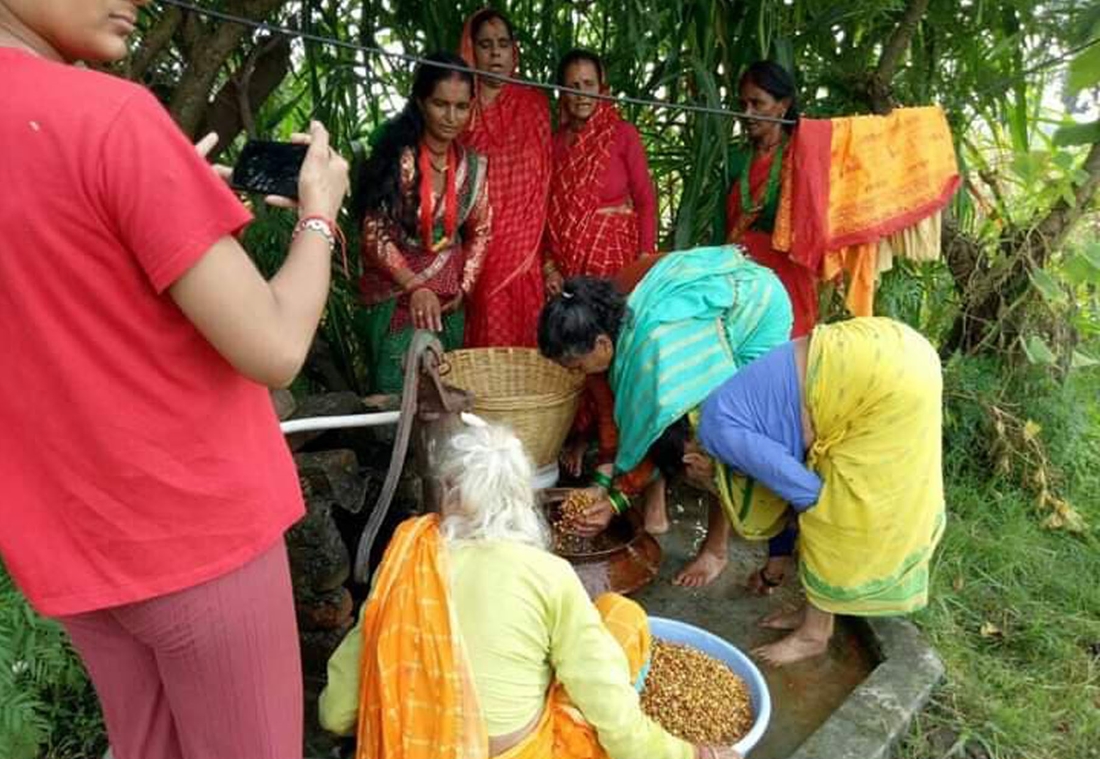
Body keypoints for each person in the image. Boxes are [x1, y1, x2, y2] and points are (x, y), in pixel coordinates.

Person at [0, 2, 350, 758]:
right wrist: (318, 216)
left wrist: (165, 192)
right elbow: (276, 343)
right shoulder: (109, 117)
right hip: (198, 535)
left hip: (73, 548)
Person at [318, 423, 738, 759]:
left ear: (447, 495)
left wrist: (404, 713)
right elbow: (614, 715)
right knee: (620, 617)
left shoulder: (406, 560)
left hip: (406, 746)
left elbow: (334, 713)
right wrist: (688, 753)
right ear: (522, 499)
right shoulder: (548, 574)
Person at [651, 317, 945, 667]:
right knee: (823, 495)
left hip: (886, 381)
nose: (707, 488)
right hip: (889, 346)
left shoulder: (720, 433)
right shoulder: (717, 408)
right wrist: (774, 569)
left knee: (835, 511)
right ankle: (814, 612)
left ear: (692, 461)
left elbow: (805, 494)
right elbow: (779, 489)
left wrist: (786, 557)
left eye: (696, 483)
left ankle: (814, 634)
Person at [538, 246, 792, 588]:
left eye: (576, 366)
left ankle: (716, 549)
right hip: (712, 305)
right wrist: (601, 483)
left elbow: (665, 429)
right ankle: (661, 514)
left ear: (602, 345)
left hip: (755, 309)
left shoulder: (654, 356)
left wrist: (617, 500)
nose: (575, 374)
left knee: (719, 436)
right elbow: (609, 413)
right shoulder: (593, 318)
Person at [542, 48, 665, 529]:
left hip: (618, 267)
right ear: (562, 92)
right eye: (571, 86)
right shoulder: (554, 144)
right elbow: (548, 211)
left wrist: (646, 266)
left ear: (602, 87)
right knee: (580, 362)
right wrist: (552, 264)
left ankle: (651, 487)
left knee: (627, 366)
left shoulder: (622, 134)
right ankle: (589, 446)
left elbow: (647, 201)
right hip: (573, 267)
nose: (580, 95)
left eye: (588, 85)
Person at [354, 52, 491, 395]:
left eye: (461, 107)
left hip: (449, 303)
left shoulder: (472, 168)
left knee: (443, 395)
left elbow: (481, 230)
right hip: (398, 296)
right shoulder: (397, 159)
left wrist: (464, 286)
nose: (450, 117)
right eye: (440, 104)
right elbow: (374, 233)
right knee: (396, 396)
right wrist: (415, 285)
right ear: (420, 102)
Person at [458, 8, 553, 348]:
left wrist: (547, 257)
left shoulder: (534, 105)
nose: (495, 53)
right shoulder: (461, 109)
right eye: (485, 44)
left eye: (502, 44)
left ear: (514, 51)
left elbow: (544, 183)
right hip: (480, 248)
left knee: (530, 337)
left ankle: (529, 405)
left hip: (527, 247)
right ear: (473, 51)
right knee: (487, 333)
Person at [718, 61, 818, 338]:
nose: (747, 113)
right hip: (739, 283)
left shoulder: (802, 157)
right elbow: (720, 229)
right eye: (743, 104)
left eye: (757, 103)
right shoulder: (735, 161)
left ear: (783, 105)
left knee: (785, 363)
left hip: (787, 283)